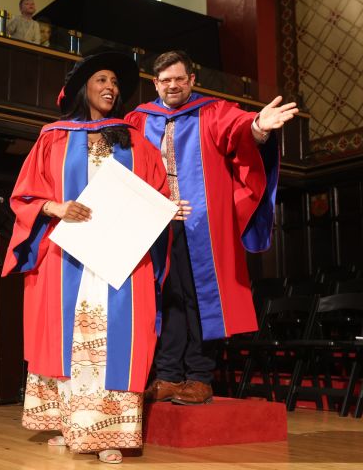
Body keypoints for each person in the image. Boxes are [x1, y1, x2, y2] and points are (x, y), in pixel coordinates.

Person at [2, 52, 184, 464]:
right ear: (84, 87)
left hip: (121, 259)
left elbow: (155, 193)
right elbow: (25, 196)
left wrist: (167, 209)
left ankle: (109, 435)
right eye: (102, 80)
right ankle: (72, 424)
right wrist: (55, 208)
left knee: (116, 342)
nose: (111, 88)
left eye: (116, 83)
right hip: (69, 258)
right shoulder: (53, 136)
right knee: (72, 342)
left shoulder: (134, 139)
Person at [125, 50, 299, 405]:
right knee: (165, 300)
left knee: (197, 299)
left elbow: (239, 128)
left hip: (199, 227)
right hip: (153, 227)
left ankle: (200, 377)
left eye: (179, 79)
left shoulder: (212, 112)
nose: (172, 85)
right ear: (155, 83)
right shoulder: (139, 120)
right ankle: (169, 375)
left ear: (192, 80)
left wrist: (257, 127)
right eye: (165, 80)